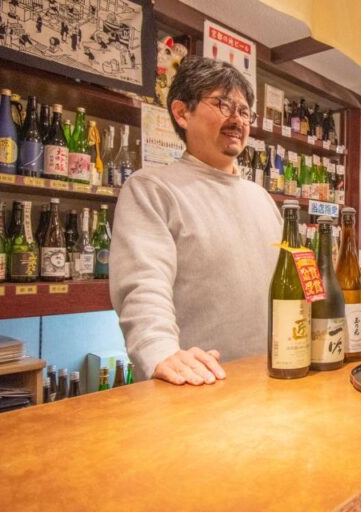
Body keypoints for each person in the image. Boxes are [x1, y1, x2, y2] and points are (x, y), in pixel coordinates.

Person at [110, 56, 282, 386]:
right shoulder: (152, 188)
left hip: (271, 379)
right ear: (182, 112)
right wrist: (159, 349)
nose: (237, 119)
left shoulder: (262, 198)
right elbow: (144, 283)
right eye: (223, 104)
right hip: (196, 383)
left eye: (244, 111)